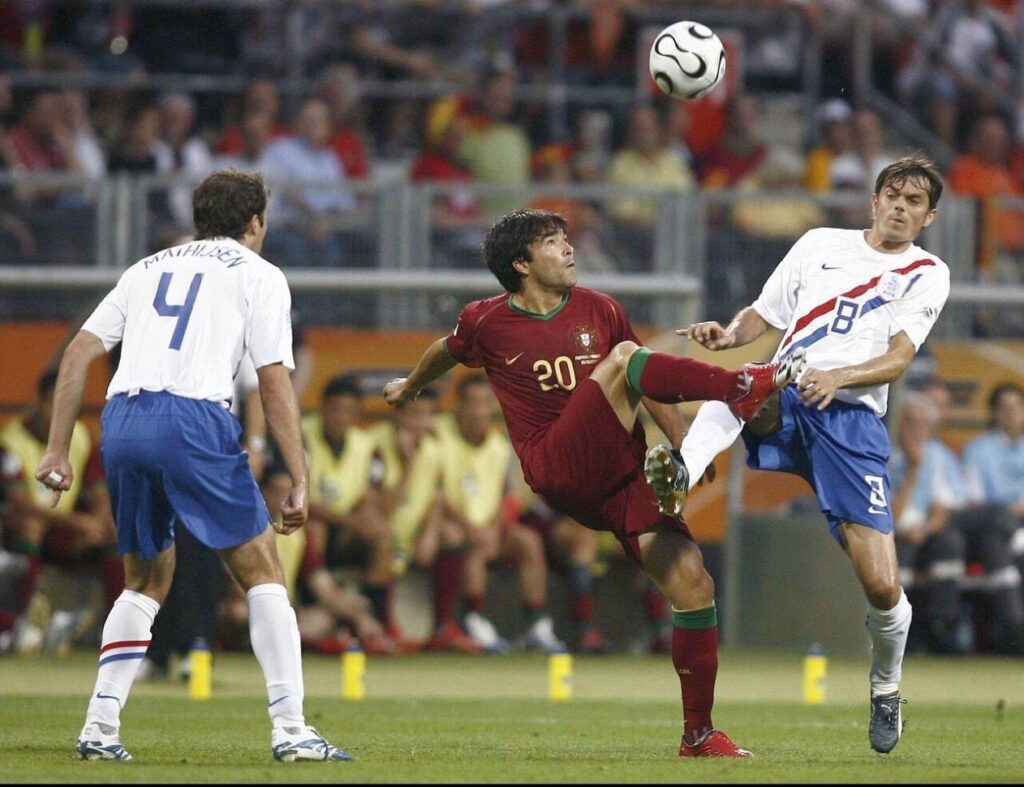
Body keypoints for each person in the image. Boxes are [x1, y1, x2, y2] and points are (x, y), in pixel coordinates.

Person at [383, 208, 805, 758]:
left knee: (692, 583)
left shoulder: (601, 308)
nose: (568, 249)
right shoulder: (486, 320)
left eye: (566, 239)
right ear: (521, 263)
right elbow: (447, 351)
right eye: (553, 242)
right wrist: (411, 385)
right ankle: (739, 385)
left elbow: (646, 379)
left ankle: (698, 734)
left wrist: (684, 446)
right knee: (625, 358)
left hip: (617, 473)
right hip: (556, 463)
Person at [34, 169, 351, 763]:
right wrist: (299, 474)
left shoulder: (147, 267)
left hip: (123, 421)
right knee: (263, 573)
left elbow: (78, 352)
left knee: (145, 580)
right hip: (193, 420)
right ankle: (292, 730)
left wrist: (57, 447)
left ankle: (99, 729)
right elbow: (274, 381)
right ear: (255, 222)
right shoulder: (260, 275)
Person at [655, 155, 950, 754]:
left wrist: (839, 377)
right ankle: (683, 468)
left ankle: (886, 687)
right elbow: (761, 318)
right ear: (873, 201)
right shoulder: (819, 243)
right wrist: (726, 334)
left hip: (851, 420)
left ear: (928, 216)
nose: (899, 206)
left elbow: (897, 359)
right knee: (739, 382)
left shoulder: (926, 272)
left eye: (913, 201)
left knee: (881, 585)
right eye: (892, 194)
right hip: (788, 388)